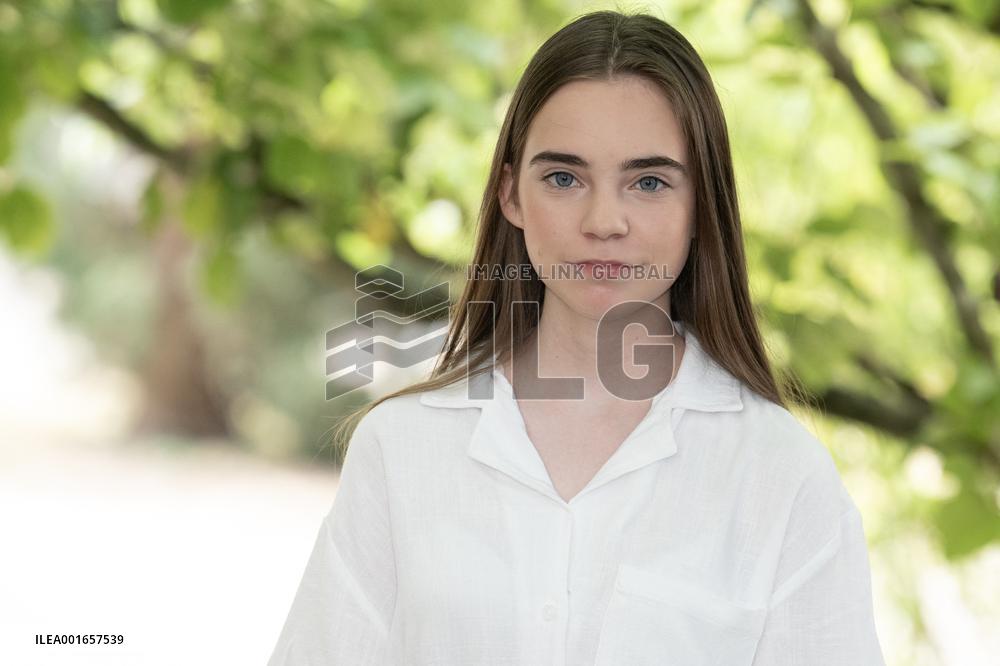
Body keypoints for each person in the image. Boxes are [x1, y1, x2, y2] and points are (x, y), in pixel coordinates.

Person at [267, 9, 887, 666]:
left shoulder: (780, 478)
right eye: (564, 178)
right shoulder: (403, 452)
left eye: (648, 182)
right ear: (511, 194)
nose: (604, 220)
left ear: (701, 202)